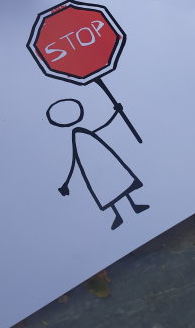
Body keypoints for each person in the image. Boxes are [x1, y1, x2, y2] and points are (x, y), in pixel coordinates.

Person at [47, 98, 149, 230]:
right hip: (93, 169)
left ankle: (134, 206)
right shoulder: (76, 136)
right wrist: (66, 182)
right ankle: (118, 215)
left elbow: (103, 126)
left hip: (105, 161)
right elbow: (74, 159)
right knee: (108, 189)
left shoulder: (83, 132)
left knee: (120, 181)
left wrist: (116, 112)